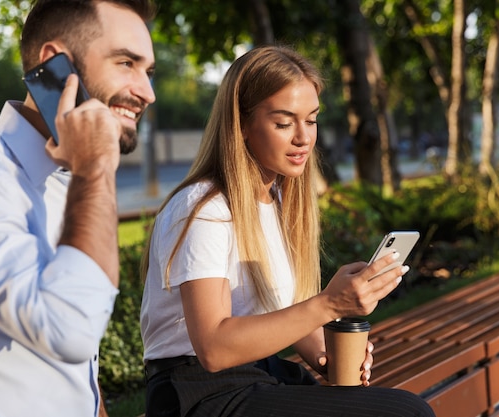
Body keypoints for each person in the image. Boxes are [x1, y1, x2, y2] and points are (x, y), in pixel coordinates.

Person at [140, 45, 436, 417]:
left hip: (257, 376)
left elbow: (283, 314)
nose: (303, 138)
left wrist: (332, 354)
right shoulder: (204, 209)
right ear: (242, 125)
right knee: (407, 413)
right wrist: (328, 303)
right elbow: (214, 349)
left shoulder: (277, 199)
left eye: (311, 120)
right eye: (283, 123)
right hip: (197, 394)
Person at [0, 0, 156, 416]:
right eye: (126, 63)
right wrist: (95, 168)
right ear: (56, 66)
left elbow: (76, 358)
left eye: (148, 71)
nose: (148, 92)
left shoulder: (73, 181)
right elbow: (67, 331)